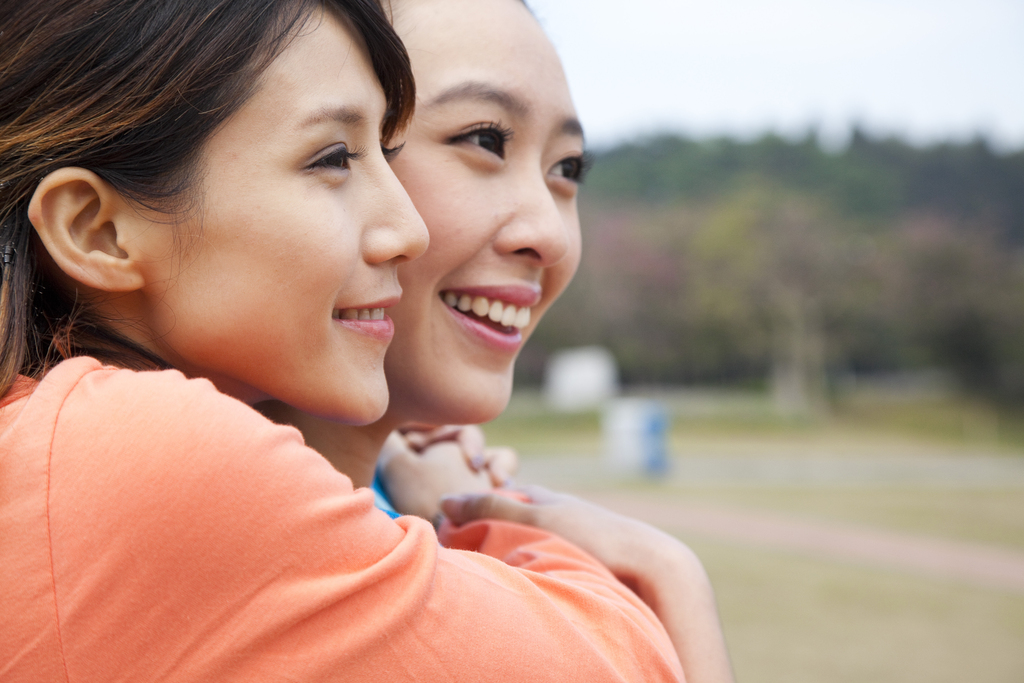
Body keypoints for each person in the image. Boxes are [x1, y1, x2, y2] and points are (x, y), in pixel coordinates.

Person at [1, 0, 689, 680]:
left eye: (569, 169)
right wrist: (656, 572)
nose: (405, 227)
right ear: (97, 231)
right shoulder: (137, 455)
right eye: (336, 157)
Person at [261, 1, 734, 681]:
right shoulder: (220, 547)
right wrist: (666, 577)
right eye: (484, 139)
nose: (549, 234)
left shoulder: (414, 497)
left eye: (567, 169)